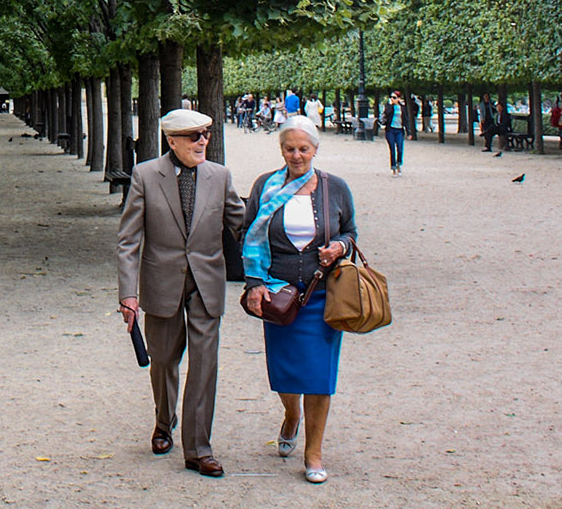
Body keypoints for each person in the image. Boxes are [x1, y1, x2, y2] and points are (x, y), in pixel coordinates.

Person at [117, 108, 247, 478]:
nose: (202, 141)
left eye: (204, 134)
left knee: (205, 366)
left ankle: (198, 449)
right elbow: (129, 240)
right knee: (163, 361)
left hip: (206, 283)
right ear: (171, 141)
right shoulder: (145, 175)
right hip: (161, 282)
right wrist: (128, 293)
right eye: (193, 136)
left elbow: (241, 225)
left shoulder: (220, 176)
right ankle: (163, 421)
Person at [241, 116, 358, 485]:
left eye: (303, 148)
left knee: (319, 377)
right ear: (281, 150)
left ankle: (314, 452)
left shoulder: (334, 188)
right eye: (289, 148)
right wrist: (255, 282)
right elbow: (249, 235)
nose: (296, 155)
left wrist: (340, 245)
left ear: (315, 150)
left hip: (323, 296)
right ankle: (292, 415)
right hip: (279, 296)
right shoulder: (265, 186)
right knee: (286, 376)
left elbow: (351, 231)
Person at [380, 91, 407, 175]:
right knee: (392, 149)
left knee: (400, 149)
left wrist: (409, 132)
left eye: (394, 97)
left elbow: (406, 119)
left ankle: (399, 163)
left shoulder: (403, 108)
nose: (392, 99)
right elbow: (386, 114)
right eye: (391, 97)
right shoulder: (389, 107)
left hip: (399, 130)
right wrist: (390, 105)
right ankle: (393, 167)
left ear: (399, 98)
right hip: (390, 130)